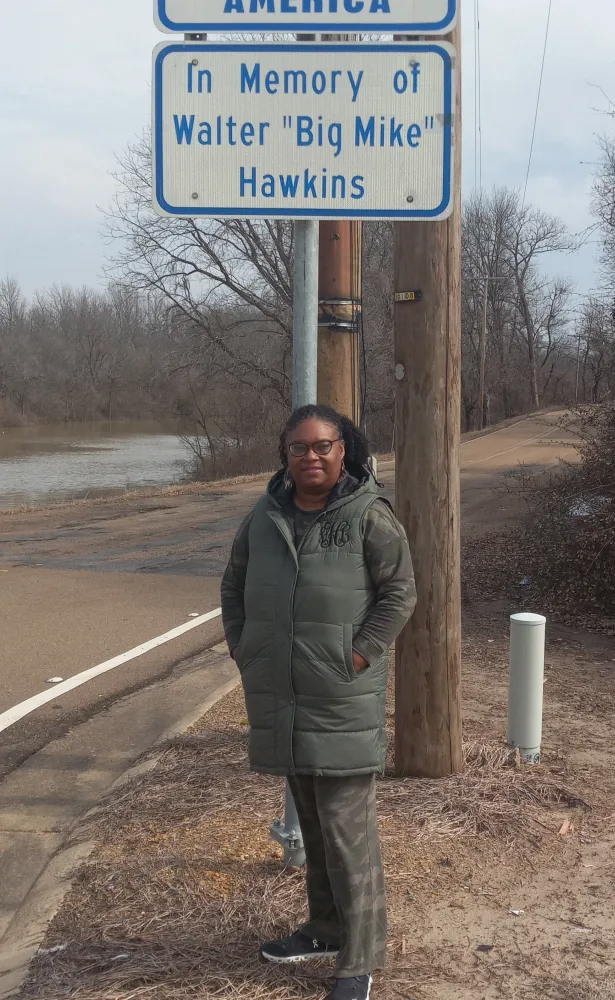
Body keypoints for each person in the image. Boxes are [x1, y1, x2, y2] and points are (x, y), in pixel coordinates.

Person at [221, 405, 417, 1000]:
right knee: (310, 815)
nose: (311, 457)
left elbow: (400, 595)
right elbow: (233, 585)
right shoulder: (264, 516)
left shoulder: (369, 515)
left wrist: (354, 656)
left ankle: (360, 958)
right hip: (283, 695)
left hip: (340, 698)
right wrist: (246, 650)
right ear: (284, 454)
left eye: (323, 446)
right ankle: (326, 928)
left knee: (345, 827)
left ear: (343, 451)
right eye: (298, 448)